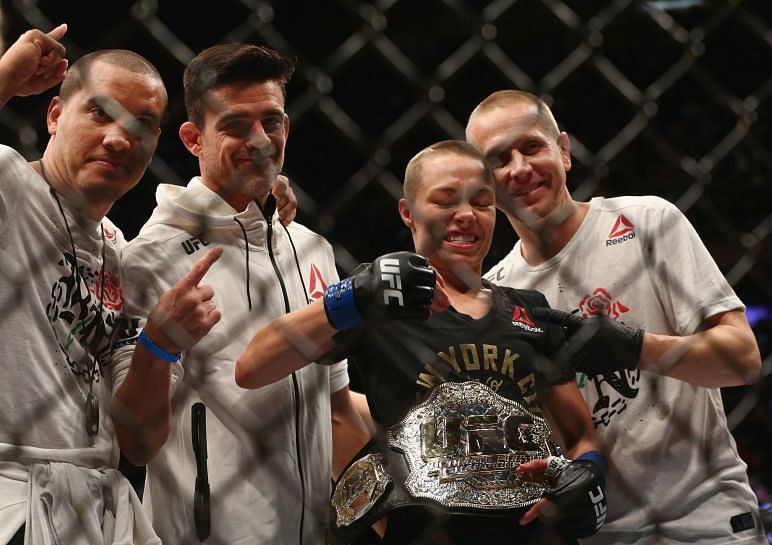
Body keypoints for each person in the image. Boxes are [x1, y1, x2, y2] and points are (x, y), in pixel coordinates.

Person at [237, 140, 611, 545]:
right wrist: (355, 295)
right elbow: (253, 366)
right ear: (408, 214)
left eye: (482, 202)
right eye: (445, 201)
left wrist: (588, 471)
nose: (466, 215)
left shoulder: (531, 311)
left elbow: (581, 436)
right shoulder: (377, 304)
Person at [465, 89, 766, 545]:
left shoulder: (647, 224)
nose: (520, 168)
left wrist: (637, 347)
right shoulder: (496, 295)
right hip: (599, 535)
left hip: (705, 521)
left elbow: (743, 359)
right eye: (499, 159)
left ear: (563, 152)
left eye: (531, 147)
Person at [115, 43, 371, 545]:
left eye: (271, 122)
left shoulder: (311, 249)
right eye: (235, 125)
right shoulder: (152, 259)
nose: (259, 140)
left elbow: (336, 407)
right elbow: (134, 441)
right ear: (193, 138)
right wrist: (159, 344)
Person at [0, 24, 225, 545]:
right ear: (54, 115)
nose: (119, 138)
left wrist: (159, 346)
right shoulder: (10, 186)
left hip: (98, 504)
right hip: (11, 496)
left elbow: (140, 442)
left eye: (141, 124)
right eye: (100, 112)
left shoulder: (116, 250)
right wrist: (7, 77)